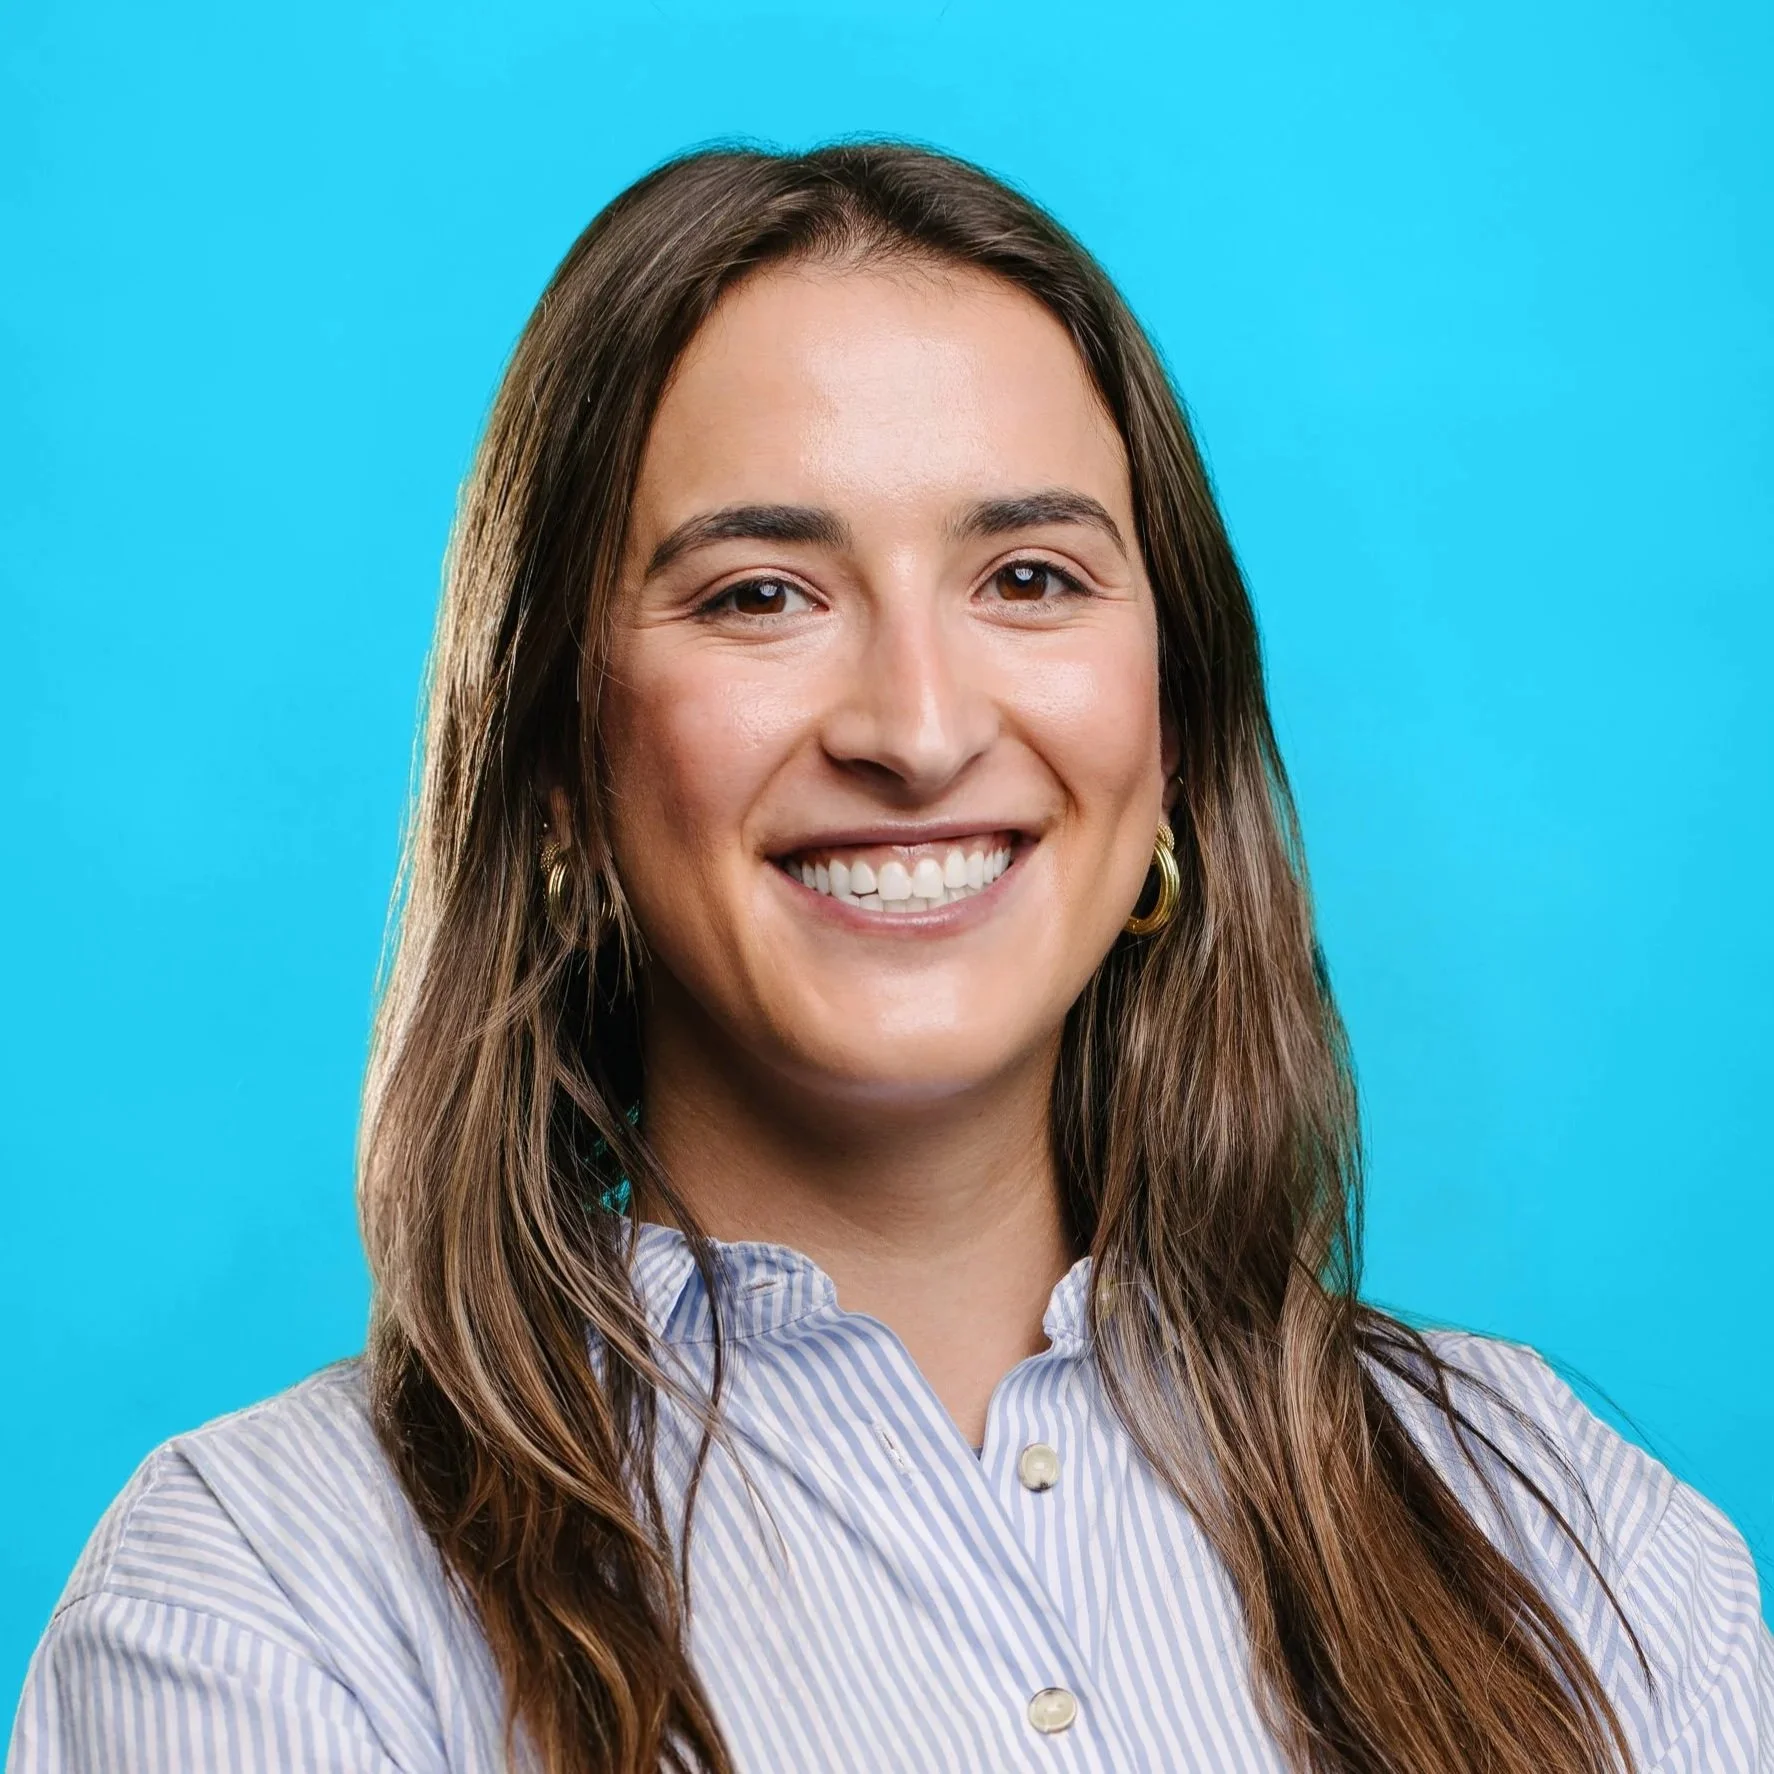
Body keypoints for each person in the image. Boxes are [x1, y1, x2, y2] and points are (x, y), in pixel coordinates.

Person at [8, 143, 1768, 1774]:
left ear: (1170, 733)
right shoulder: (261, 1605)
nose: (919, 732)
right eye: (761, 593)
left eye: (1027, 575)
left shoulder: (1562, 1526)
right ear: (552, 771)